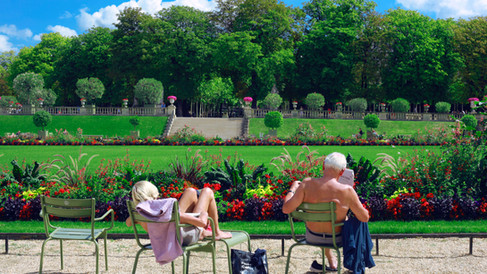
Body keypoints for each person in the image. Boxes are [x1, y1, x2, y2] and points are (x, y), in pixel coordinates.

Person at [282, 152, 369, 272]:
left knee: (325, 219)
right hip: (336, 239)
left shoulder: (306, 184)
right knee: (356, 222)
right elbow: (365, 217)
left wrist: (292, 189)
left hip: (312, 236)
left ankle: (332, 260)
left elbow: (286, 208)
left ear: (323, 166)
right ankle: (356, 265)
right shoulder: (347, 190)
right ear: (342, 172)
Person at [126, 180, 232, 245]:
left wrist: (136, 214)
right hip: (183, 237)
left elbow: (128, 223)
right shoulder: (161, 209)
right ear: (154, 193)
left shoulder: (141, 213)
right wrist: (204, 215)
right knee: (207, 191)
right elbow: (201, 222)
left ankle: (204, 232)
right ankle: (216, 232)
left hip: (171, 236)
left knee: (190, 191)